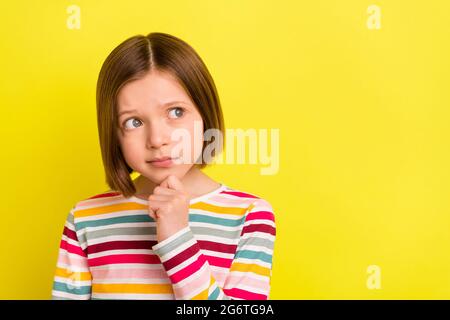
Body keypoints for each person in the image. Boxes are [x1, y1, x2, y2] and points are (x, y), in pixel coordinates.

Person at [51, 32, 276, 300]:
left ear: (205, 113)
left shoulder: (250, 215)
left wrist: (177, 238)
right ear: (114, 134)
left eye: (176, 112)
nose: (157, 139)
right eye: (133, 122)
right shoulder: (85, 219)